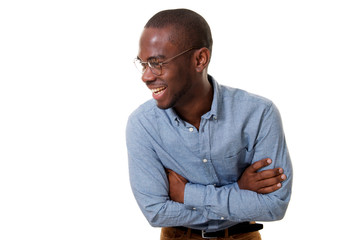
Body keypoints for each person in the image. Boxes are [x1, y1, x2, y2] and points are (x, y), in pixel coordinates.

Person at [126, 8, 292, 240]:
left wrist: (185, 193)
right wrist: (239, 191)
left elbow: (274, 205)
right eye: (143, 63)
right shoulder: (142, 125)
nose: (146, 76)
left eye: (157, 63)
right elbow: (156, 211)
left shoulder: (258, 114)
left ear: (199, 59)